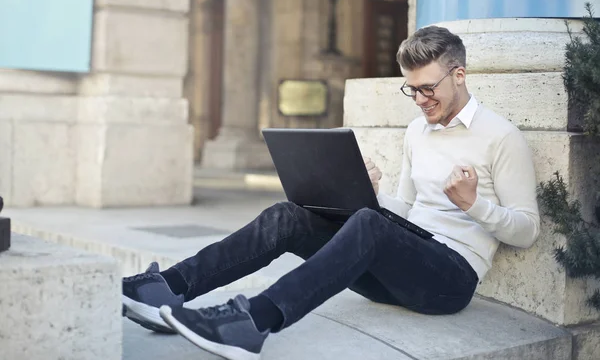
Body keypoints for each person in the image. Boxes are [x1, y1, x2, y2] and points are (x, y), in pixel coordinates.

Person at [122, 26, 540, 360]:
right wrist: (368, 192)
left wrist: (475, 205)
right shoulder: (418, 131)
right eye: (411, 89)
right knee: (290, 214)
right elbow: (410, 211)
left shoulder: (501, 136)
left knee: (369, 223)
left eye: (427, 88)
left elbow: (527, 230)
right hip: (403, 262)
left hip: (451, 279)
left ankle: (252, 322)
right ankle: (168, 286)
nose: (419, 100)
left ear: (459, 75)